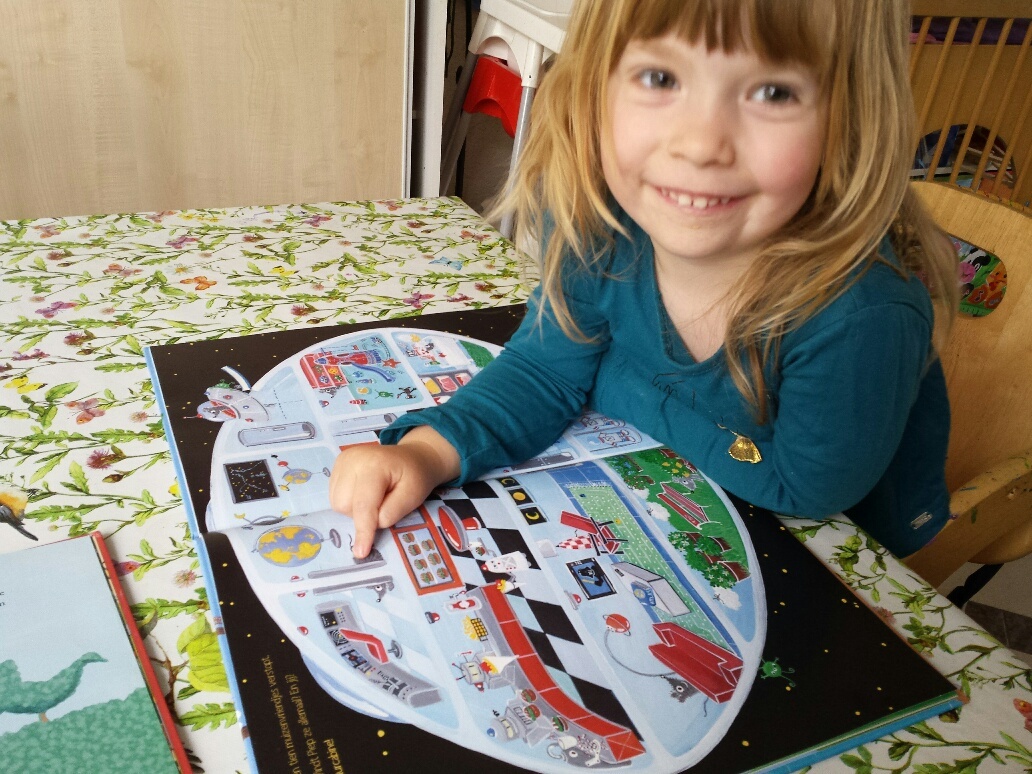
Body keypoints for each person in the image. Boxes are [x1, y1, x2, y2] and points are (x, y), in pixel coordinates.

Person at [330, 0, 959, 562]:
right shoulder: (596, 223)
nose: (700, 145)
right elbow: (543, 373)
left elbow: (805, 489)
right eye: (660, 78)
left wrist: (606, 381)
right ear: (592, 88)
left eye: (773, 92)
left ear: (853, 120)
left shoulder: (861, 313)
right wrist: (425, 452)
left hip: (857, 558)